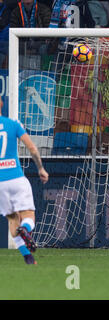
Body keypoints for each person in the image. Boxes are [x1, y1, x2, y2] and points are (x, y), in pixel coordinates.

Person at [0, 97, 49, 265]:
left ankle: (28, 258)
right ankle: (26, 229)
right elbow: (32, 148)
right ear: (1, 104)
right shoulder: (14, 124)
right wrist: (41, 168)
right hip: (16, 178)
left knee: (12, 219)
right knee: (28, 215)